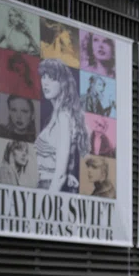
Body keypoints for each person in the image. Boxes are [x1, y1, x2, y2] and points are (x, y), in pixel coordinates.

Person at [36, 58, 88, 193]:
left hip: (50, 187)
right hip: (49, 186)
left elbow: (59, 175)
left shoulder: (63, 116)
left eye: (52, 78)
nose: (45, 83)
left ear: (63, 83)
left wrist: (47, 202)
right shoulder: (57, 114)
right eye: (43, 76)